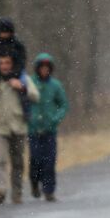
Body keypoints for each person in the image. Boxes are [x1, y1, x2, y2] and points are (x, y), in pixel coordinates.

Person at [0, 53, 40, 205]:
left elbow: (36, 97)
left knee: (18, 162)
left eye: (7, 63)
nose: (4, 66)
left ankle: (17, 194)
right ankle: (0, 189)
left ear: (13, 64)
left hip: (19, 126)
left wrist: (22, 88)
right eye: (1, 63)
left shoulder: (23, 78)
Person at [27, 53, 70, 202]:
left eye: (47, 68)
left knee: (50, 161)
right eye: (42, 67)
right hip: (33, 130)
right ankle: (34, 183)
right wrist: (28, 117)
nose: (44, 70)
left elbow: (63, 105)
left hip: (50, 130)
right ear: (37, 68)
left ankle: (49, 190)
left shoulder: (56, 85)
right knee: (35, 160)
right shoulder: (29, 83)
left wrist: (55, 118)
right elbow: (22, 102)